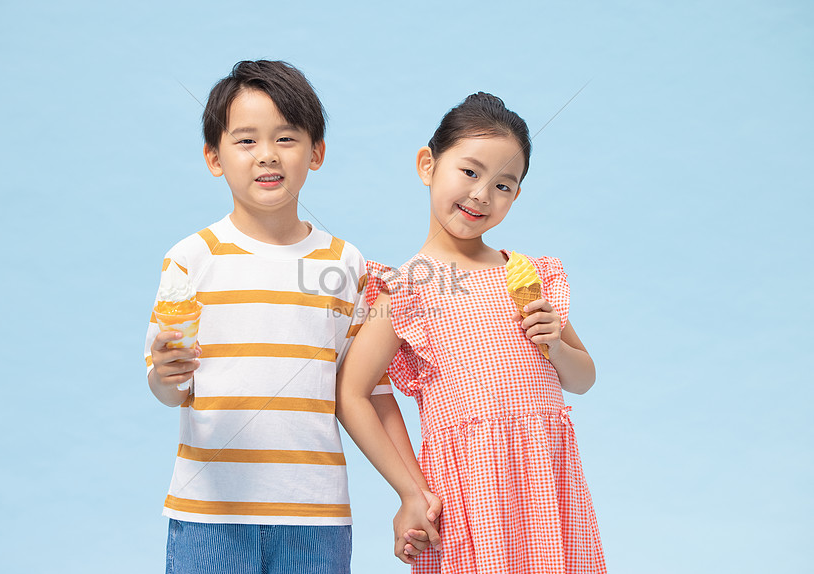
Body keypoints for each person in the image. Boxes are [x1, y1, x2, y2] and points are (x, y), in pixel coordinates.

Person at [144, 60, 438, 574]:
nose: (266, 156)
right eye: (245, 141)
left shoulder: (345, 264)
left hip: (316, 516)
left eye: (286, 138)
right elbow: (168, 386)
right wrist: (166, 375)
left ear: (316, 152)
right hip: (208, 514)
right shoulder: (191, 257)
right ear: (214, 157)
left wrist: (411, 490)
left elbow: (369, 390)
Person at [335, 92, 606, 573]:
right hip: (469, 493)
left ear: (516, 195)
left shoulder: (525, 274)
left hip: (547, 480)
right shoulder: (403, 291)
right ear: (428, 165)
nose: (482, 194)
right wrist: (409, 490)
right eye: (470, 172)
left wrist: (555, 346)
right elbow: (352, 393)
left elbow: (582, 378)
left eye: (504, 185)